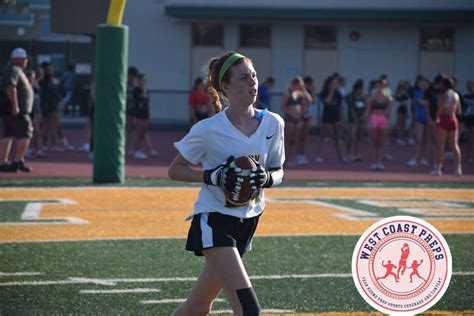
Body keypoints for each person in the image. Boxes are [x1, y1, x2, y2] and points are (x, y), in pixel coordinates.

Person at [168, 51, 285, 315]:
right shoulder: (208, 129)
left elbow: (279, 172)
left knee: (198, 305)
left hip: (249, 221)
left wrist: (266, 178)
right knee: (248, 309)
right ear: (226, 86)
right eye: (244, 78)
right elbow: (175, 170)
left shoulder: (273, 123)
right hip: (215, 220)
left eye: (254, 76)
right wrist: (213, 176)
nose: (253, 83)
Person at [0, 48, 34, 172]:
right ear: (18, 59)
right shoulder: (13, 70)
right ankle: (18, 160)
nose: (26, 61)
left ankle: (3, 163)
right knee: (26, 132)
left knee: (8, 135)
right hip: (15, 110)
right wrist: (16, 106)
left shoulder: (15, 70)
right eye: (24, 59)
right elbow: (11, 87)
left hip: (10, 109)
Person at [431, 77, 462, 176]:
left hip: (444, 119)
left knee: (440, 145)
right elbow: (459, 111)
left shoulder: (443, 95)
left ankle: (438, 168)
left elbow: (440, 108)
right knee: (454, 145)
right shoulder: (456, 95)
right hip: (453, 119)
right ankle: (457, 168)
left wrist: (437, 118)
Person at [315, 75, 344, 163]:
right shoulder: (324, 92)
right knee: (322, 136)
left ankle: (340, 157)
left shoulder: (338, 93)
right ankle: (318, 155)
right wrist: (331, 91)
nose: (334, 85)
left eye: (335, 83)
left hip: (335, 117)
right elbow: (327, 101)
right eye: (333, 83)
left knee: (336, 137)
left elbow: (339, 106)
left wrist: (341, 119)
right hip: (326, 116)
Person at [365, 79, 392, 170]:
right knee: (374, 141)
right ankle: (374, 161)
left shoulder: (388, 98)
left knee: (381, 141)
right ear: (376, 86)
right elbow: (368, 110)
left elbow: (389, 110)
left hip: (383, 119)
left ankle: (379, 161)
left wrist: (387, 120)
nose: (379, 87)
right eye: (378, 85)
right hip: (374, 118)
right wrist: (369, 121)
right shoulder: (371, 98)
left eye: (381, 85)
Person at [281, 77, 306, 167]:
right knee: (289, 140)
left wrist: (304, 90)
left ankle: (294, 158)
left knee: (296, 139)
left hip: (298, 119)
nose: (300, 87)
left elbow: (310, 100)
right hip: (289, 118)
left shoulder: (299, 94)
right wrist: (292, 114)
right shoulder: (287, 93)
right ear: (295, 84)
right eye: (299, 85)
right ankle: (287, 159)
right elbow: (283, 107)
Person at [131, 73, 157, 159]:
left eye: (144, 80)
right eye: (141, 80)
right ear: (138, 80)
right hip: (138, 115)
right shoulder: (136, 90)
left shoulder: (145, 90)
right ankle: (136, 150)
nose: (143, 82)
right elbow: (143, 97)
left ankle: (139, 150)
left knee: (143, 133)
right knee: (138, 133)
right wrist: (143, 92)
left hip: (145, 114)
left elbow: (147, 99)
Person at [423, 74, 445, 171]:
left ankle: (440, 163)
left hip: (443, 118)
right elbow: (426, 106)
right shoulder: (430, 90)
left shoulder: (444, 91)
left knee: (440, 142)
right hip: (432, 118)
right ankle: (434, 164)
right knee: (432, 141)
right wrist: (429, 118)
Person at [407, 78, 430, 167]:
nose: (423, 85)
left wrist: (424, 102)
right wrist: (424, 102)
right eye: (421, 83)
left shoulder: (430, 93)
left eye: (424, 83)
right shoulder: (416, 93)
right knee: (418, 139)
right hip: (419, 117)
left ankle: (425, 158)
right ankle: (415, 158)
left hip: (428, 118)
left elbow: (429, 103)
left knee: (427, 140)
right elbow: (416, 103)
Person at [39, 62, 62, 151]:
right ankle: (53, 145)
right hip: (51, 106)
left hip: (45, 105)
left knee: (46, 126)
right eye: (49, 69)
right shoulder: (49, 81)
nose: (52, 70)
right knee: (52, 126)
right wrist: (58, 98)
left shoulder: (42, 81)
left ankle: (44, 144)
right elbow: (54, 94)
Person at [25, 69, 45, 158]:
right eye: (31, 77)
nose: (33, 79)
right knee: (30, 131)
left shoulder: (35, 84)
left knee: (37, 131)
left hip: (36, 110)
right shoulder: (24, 85)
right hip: (29, 110)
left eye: (33, 77)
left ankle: (38, 149)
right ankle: (30, 149)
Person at [345, 79, 366, 162]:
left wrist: (363, 117)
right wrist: (356, 120)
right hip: (353, 121)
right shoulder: (352, 98)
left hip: (361, 121)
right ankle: (348, 154)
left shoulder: (363, 98)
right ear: (356, 89)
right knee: (351, 137)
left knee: (358, 137)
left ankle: (356, 153)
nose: (361, 91)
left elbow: (365, 108)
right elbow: (352, 110)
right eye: (360, 89)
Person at [295, 76, 314, 165]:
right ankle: (297, 155)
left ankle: (302, 154)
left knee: (304, 137)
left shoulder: (308, 92)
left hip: (307, 116)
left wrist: (305, 90)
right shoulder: (297, 93)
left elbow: (310, 100)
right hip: (300, 116)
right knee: (298, 136)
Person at [394, 80, 411, 146]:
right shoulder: (399, 91)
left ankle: (401, 138)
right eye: (401, 84)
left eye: (404, 84)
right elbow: (397, 97)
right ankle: (399, 138)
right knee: (400, 124)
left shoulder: (407, 91)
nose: (403, 85)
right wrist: (401, 93)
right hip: (400, 108)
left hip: (405, 108)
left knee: (403, 124)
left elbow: (408, 99)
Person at [126, 66, 139, 154]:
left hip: (135, 109)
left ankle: (133, 148)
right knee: (129, 129)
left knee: (135, 129)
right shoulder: (127, 83)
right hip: (129, 108)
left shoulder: (136, 84)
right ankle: (128, 148)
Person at [462, 80, 474, 163]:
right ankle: (466, 157)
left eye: (471, 86)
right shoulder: (465, 97)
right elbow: (462, 109)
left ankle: (472, 157)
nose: (470, 88)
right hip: (466, 119)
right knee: (467, 139)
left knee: (472, 139)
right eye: (468, 87)